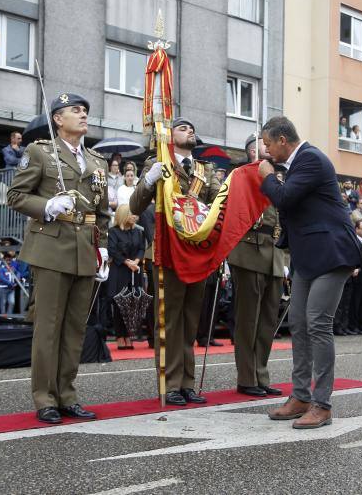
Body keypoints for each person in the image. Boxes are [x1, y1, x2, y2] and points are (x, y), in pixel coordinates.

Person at [7, 93, 110, 424]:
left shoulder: (97, 161)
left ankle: (67, 394)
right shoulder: (39, 152)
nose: (83, 115)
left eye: (85, 111)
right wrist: (47, 206)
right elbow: (15, 195)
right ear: (57, 118)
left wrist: (103, 246)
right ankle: (44, 397)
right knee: (48, 327)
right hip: (51, 246)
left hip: (85, 249)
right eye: (75, 110)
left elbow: (102, 212)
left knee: (74, 329)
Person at [258, 115, 359, 429]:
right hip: (306, 256)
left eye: (268, 144)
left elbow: (284, 198)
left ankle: (322, 404)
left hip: (331, 253)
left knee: (317, 322)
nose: (265, 151)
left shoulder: (311, 159)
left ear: (283, 141)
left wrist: (267, 177)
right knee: (298, 323)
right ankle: (300, 396)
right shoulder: (297, 164)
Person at [130, 116, 222, 406]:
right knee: (169, 320)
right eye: (183, 128)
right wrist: (149, 180)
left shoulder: (205, 170)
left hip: (196, 251)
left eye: (192, 128)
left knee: (190, 319)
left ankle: (187, 383)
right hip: (168, 250)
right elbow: (135, 205)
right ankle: (170, 383)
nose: (190, 130)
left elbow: (218, 206)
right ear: (169, 137)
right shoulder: (157, 163)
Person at [228, 134, 288, 397]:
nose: (270, 146)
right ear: (253, 149)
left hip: (274, 251)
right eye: (265, 143)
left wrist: (286, 257)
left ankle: (261, 374)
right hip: (248, 248)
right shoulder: (241, 174)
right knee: (247, 319)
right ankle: (246, 377)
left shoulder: (280, 176)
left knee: (267, 320)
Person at [107, 204, 145, 349]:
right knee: (119, 305)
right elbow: (112, 250)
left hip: (134, 271)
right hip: (120, 271)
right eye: (131, 213)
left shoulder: (137, 232)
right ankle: (120, 336)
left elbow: (142, 247)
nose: (134, 216)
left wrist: (136, 261)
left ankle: (129, 335)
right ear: (123, 215)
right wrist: (126, 262)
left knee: (132, 304)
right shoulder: (113, 232)